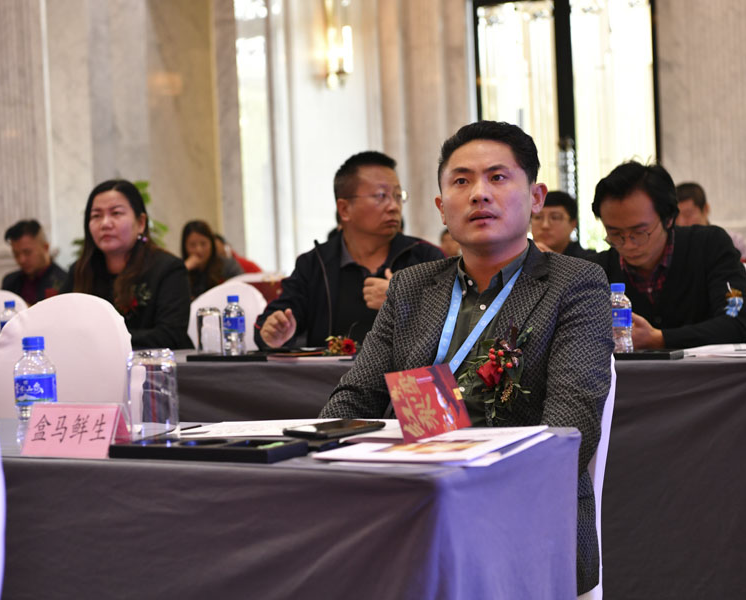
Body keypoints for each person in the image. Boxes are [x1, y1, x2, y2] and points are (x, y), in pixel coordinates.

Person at [319, 122, 613, 596]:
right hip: (402, 502)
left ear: (535, 197)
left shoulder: (574, 284)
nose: (479, 194)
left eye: (498, 177)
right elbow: (355, 397)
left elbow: (570, 427)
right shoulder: (412, 287)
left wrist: (465, 487)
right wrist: (323, 459)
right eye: (461, 181)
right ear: (441, 206)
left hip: (517, 515)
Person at [256, 151, 444, 348]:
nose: (394, 207)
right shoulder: (314, 264)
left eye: (398, 196)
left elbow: (454, 325)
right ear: (344, 209)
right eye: (381, 196)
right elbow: (275, 320)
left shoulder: (426, 257)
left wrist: (403, 304)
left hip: (406, 369)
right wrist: (274, 333)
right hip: (328, 369)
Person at [591, 162, 746, 349]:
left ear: (668, 218)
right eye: (615, 234)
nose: (628, 245)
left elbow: (740, 322)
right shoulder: (597, 270)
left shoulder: (709, 246)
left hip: (706, 368)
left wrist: (659, 339)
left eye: (639, 232)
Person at [60, 179, 192, 349]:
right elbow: (60, 324)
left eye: (116, 213)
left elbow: (171, 335)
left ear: (141, 223)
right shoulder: (80, 270)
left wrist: (103, 339)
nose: (105, 223)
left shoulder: (168, 269)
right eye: (96, 216)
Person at [675, 182, 746, 259]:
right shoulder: (673, 247)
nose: (681, 223)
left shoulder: (734, 242)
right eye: (676, 217)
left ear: (706, 209)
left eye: (688, 214)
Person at [1, 219, 67, 305]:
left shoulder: (63, 281)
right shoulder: (10, 282)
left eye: (27, 252)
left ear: (45, 247)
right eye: (16, 254)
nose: (21, 260)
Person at [181, 220, 243, 298]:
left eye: (203, 244)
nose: (199, 250)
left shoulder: (229, 266)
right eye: (192, 245)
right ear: (185, 247)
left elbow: (241, 290)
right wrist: (184, 269)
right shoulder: (181, 269)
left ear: (212, 244)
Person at [531, 190, 596, 259]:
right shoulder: (524, 258)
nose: (545, 225)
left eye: (555, 217)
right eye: (538, 217)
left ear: (573, 224)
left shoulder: (589, 260)